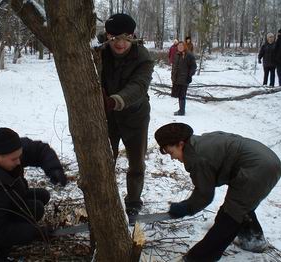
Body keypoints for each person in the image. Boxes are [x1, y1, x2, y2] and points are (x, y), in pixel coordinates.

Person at [154, 123, 281, 262]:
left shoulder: (196, 157)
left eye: (171, 152)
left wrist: (186, 208)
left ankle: (197, 259)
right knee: (241, 205)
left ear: (180, 144)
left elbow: (204, 194)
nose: (172, 158)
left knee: (229, 216)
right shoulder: (198, 143)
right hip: (266, 160)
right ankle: (254, 240)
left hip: (257, 168)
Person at [0, 127, 67, 261]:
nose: (19, 162)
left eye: (19, 156)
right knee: (35, 210)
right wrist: (34, 232)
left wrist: (54, 168)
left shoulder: (7, 150)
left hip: (4, 197)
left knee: (42, 196)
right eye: (14, 159)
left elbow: (38, 150)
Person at [100, 13, 154, 216]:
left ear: (133, 36)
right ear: (107, 35)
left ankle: (133, 201)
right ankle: (105, 199)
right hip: (107, 118)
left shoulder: (143, 57)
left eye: (126, 38)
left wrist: (114, 101)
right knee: (105, 160)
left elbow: (138, 87)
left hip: (135, 117)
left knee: (137, 162)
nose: (121, 44)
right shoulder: (100, 52)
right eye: (115, 38)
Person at [171, 41, 197, 116]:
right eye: (179, 46)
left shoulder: (189, 55)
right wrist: (173, 76)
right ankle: (181, 109)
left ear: (184, 46)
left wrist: (189, 75)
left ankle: (182, 111)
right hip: (177, 79)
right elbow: (174, 67)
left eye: (181, 46)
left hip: (184, 79)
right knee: (179, 95)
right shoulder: (177, 54)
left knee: (182, 95)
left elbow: (194, 67)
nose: (180, 47)